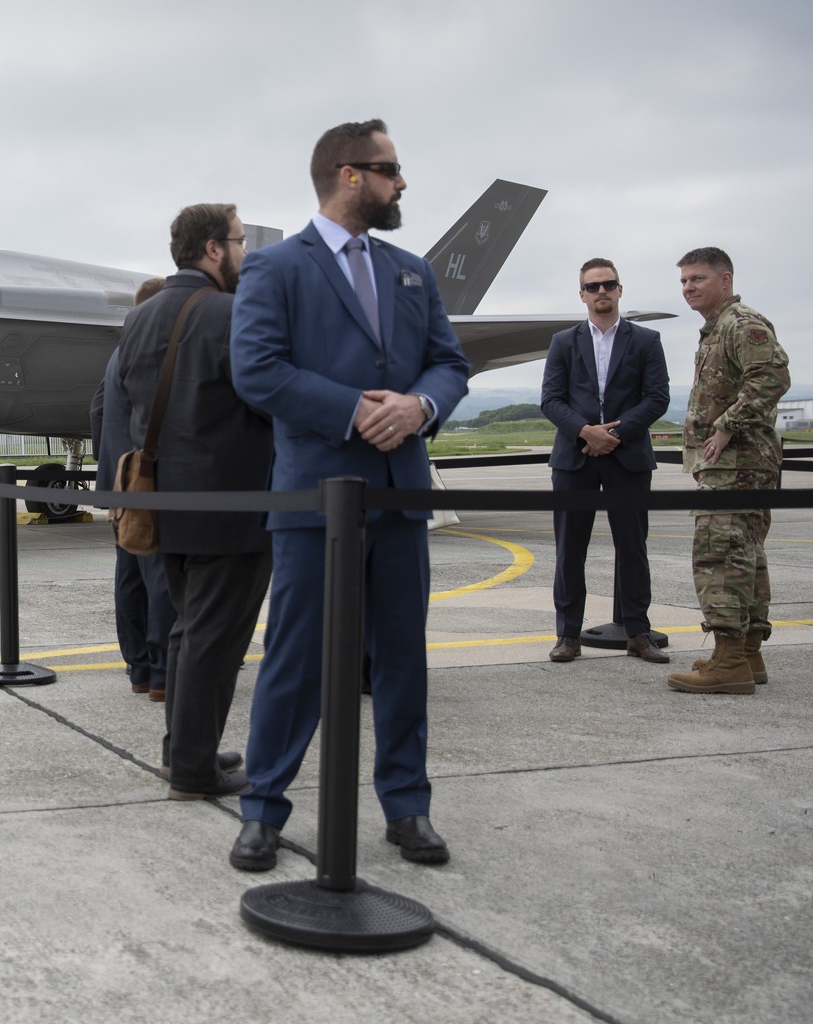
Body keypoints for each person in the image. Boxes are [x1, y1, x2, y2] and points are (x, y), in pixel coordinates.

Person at [228, 120, 468, 869]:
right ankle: (264, 808)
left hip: (399, 492)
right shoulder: (275, 269)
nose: (402, 184)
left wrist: (419, 407)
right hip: (314, 498)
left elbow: (448, 364)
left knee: (401, 657)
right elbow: (257, 371)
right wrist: (354, 409)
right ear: (349, 173)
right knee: (296, 657)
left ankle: (408, 806)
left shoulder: (411, 270)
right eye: (391, 169)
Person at [117, 203, 273, 799]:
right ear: (213, 249)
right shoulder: (232, 314)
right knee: (214, 638)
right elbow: (266, 398)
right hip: (230, 506)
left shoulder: (141, 317)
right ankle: (191, 769)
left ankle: (185, 748)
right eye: (238, 242)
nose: (243, 254)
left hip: (162, 504)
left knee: (188, 630)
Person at [666, 247, 789, 695]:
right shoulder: (718, 329)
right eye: (683, 281)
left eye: (697, 279)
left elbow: (773, 377)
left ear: (725, 279)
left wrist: (726, 427)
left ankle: (729, 660)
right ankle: (745, 654)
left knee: (719, 555)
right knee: (746, 556)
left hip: (736, 465)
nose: (688, 288)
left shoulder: (740, 324)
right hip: (739, 466)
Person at [540, 258, 671, 664]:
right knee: (569, 551)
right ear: (582, 294)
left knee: (633, 548)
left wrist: (614, 434)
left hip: (627, 457)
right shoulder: (563, 342)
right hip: (573, 458)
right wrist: (585, 431)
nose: (601, 292)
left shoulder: (646, 340)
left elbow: (657, 397)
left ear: (619, 290)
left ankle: (637, 632)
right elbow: (550, 400)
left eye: (608, 285)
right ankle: (567, 636)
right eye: (593, 286)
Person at [91, 276, 175, 699]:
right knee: (159, 575)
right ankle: (161, 672)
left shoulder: (119, 350)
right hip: (147, 475)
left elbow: (98, 408)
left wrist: (110, 467)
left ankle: (139, 668)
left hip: (122, 478)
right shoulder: (150, 349)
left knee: (130, 574)